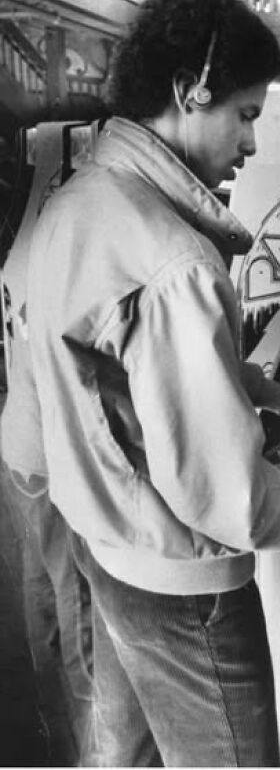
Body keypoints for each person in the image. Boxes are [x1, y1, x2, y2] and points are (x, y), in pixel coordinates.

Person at [24, 0, 280, 767]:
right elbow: (228, 500)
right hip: (182, 591)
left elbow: (129, 373)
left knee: (122, 749)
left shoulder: (81, 201)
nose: (252, 144)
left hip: (107, 544)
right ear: (193, 94)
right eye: (247, 114)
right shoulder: (174, 259)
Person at [1, 123, 94, 766]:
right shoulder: (82, 228)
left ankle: (50, 728)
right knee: (79, 614)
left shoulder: (30, 221)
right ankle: (88, 747)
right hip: (52, 458)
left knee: (39, 594)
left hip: (17, 445)